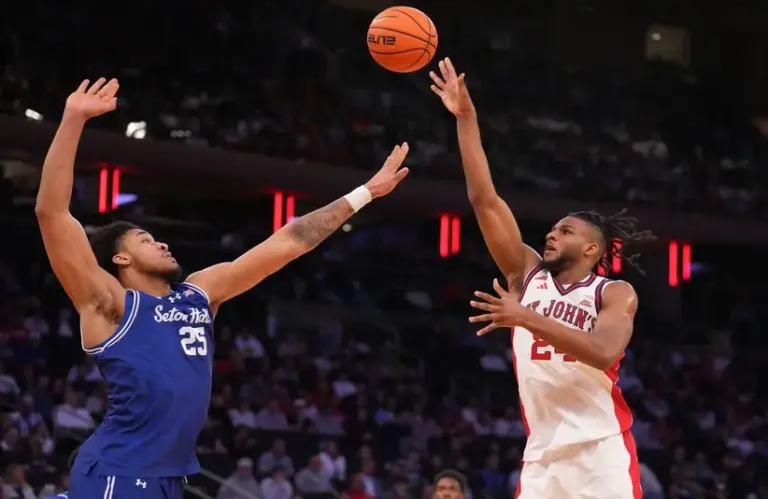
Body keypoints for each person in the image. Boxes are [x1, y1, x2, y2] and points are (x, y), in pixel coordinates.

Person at [35, 78, 410, 499]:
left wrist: (363, 194)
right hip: (120, 470)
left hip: (167, 476)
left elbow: (287, 242)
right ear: (119, 260)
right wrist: (73, 119)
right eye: (143, 239)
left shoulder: (200, 293)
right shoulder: (110, 304)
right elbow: (51, 214)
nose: (160, 241)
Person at [430, 58, 655, 498]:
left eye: (566, 231)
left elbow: (604, 350)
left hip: (600, 449)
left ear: (592, 250)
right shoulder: (525, 274)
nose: (552, 234)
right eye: (552, 228)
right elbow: (484, 200)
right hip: (542, 454)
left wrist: (526, 318)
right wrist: (466, 119)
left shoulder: (613, 291)